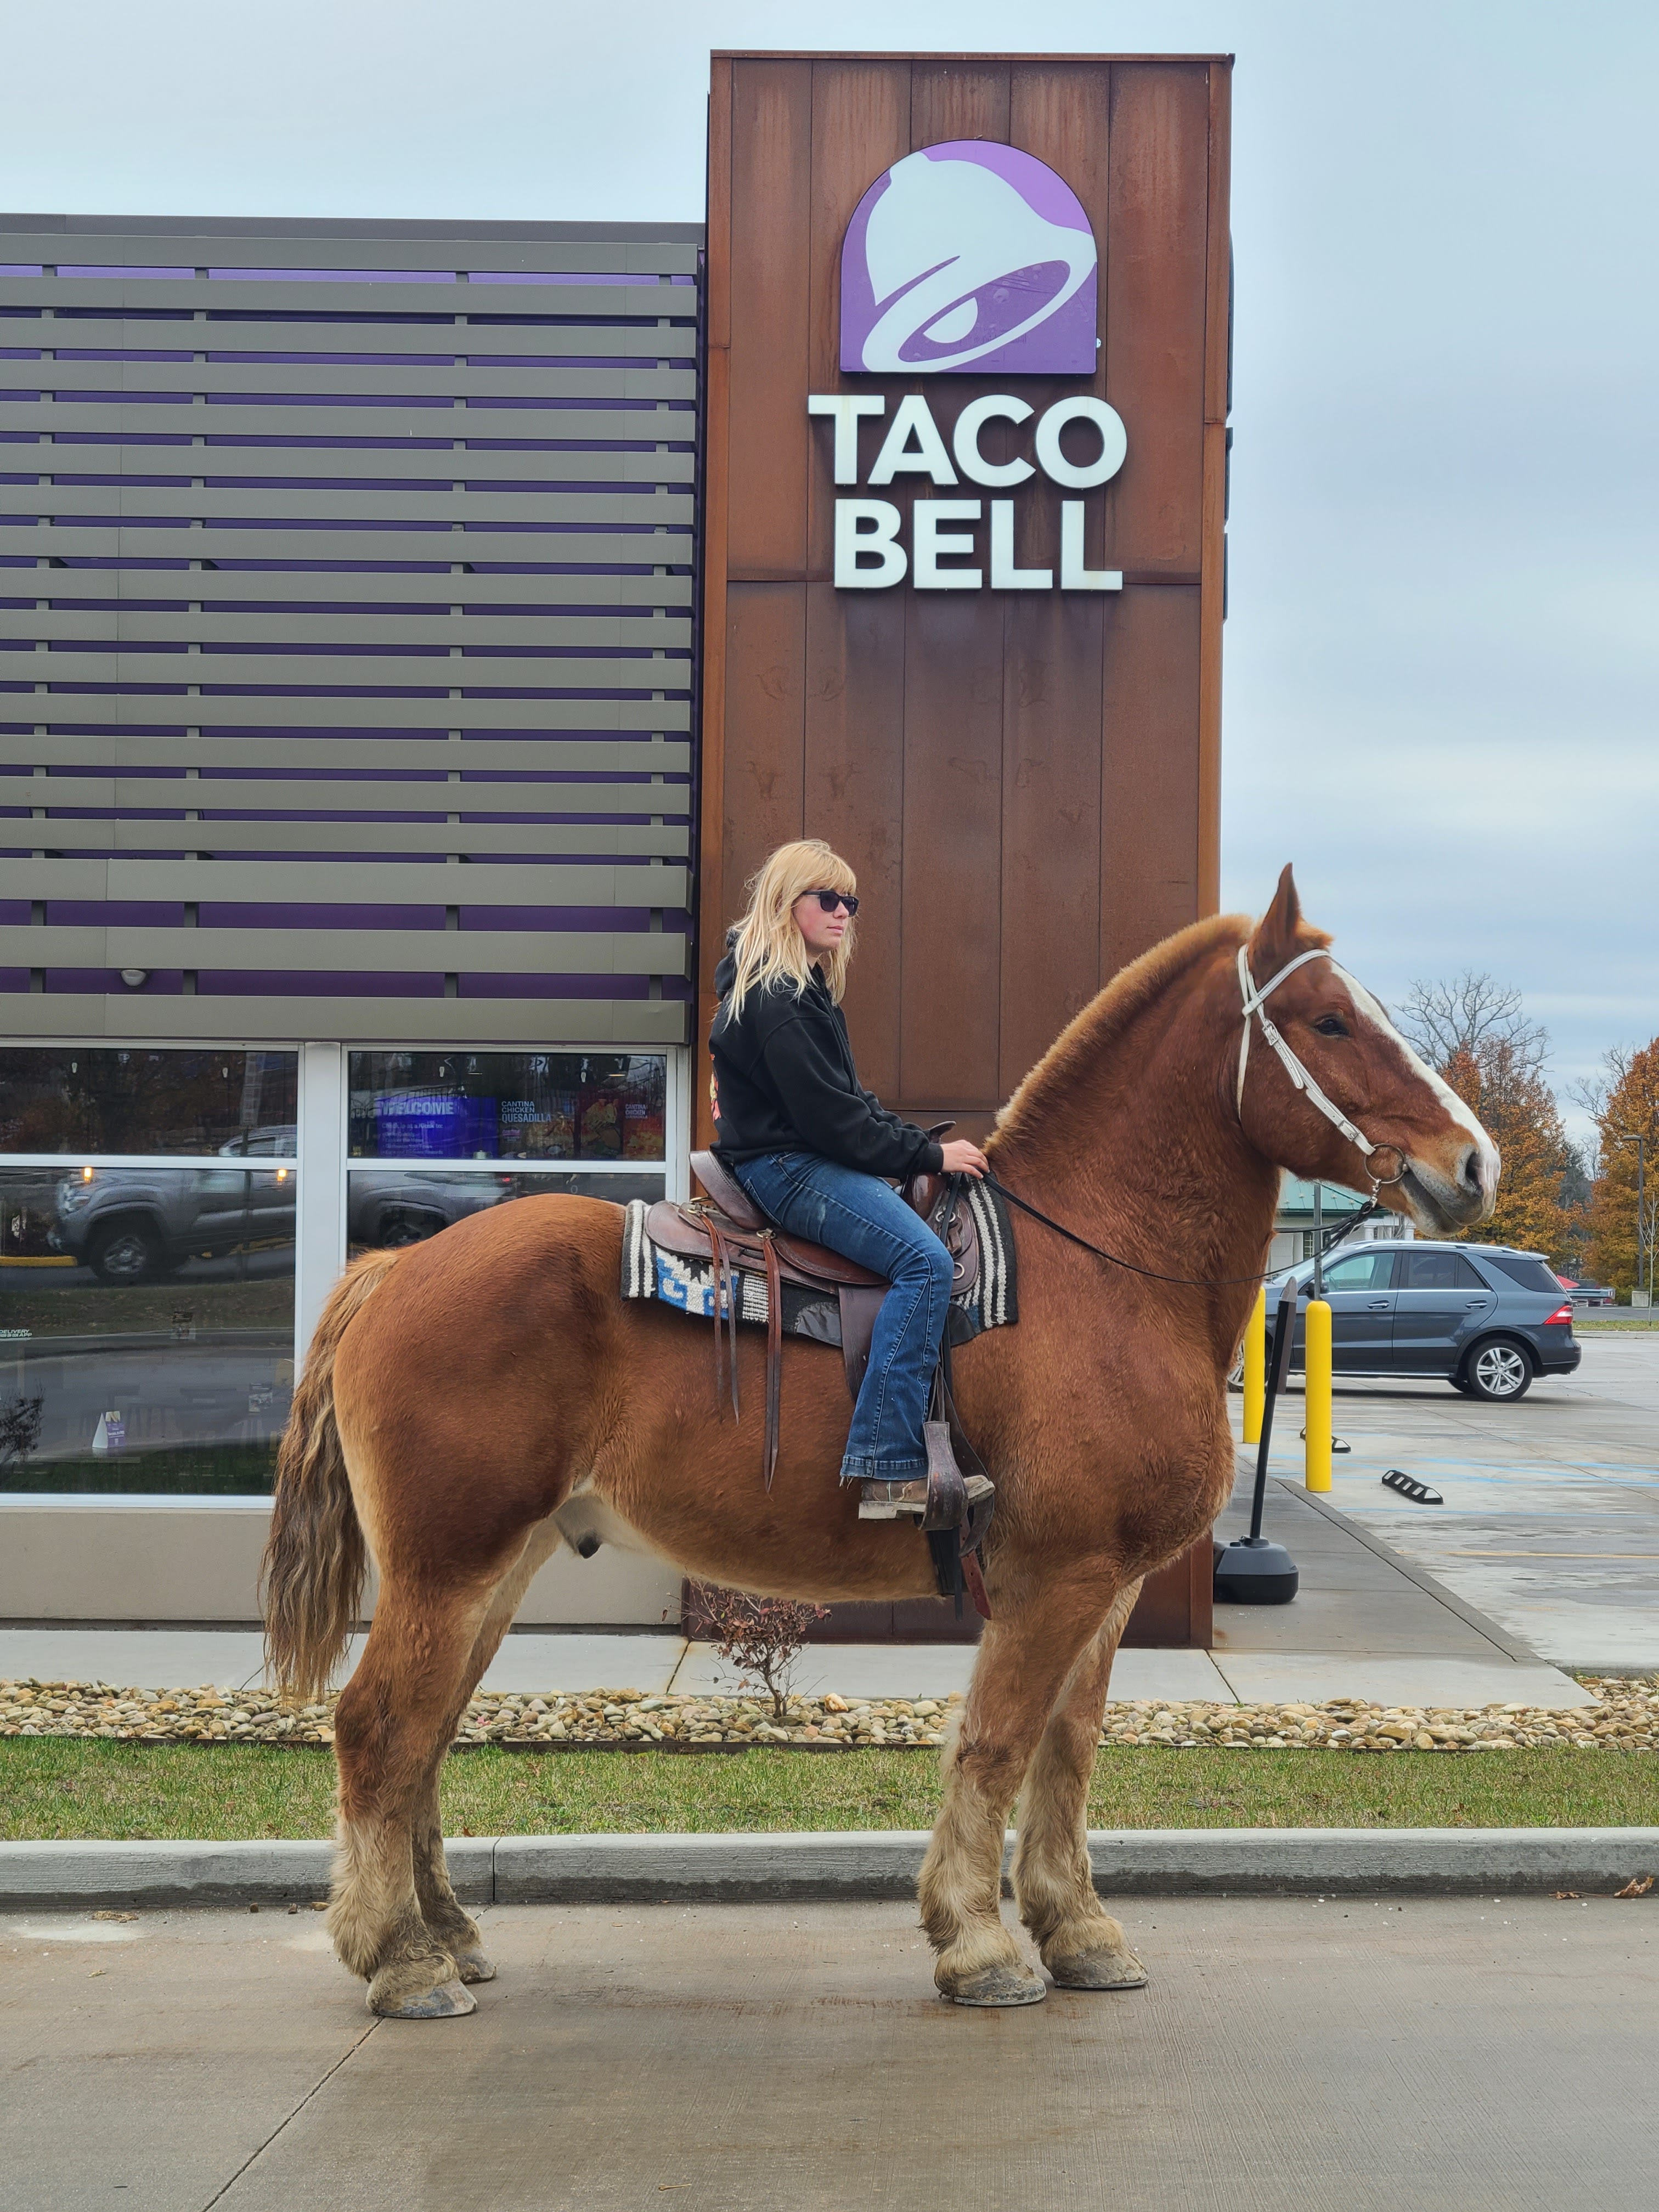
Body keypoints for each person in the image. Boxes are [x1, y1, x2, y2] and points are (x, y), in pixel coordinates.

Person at [709, 839, 992, 1519]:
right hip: (789, 1168)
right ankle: (888, 1465)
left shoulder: (806, 994)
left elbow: (855, 1102)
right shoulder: (776, 1003)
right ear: (786, 904)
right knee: (925, 1263)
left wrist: (908, 1142)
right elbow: (832, 1122)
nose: (843, 914)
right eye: (828, 899)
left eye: (851, 903)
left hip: (806, 1158)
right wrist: (928, 1158)